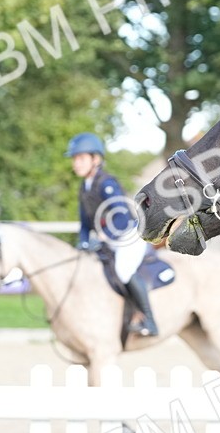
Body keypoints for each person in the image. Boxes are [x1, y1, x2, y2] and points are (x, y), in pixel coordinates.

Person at [66, 132, 159, 337]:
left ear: (96, 159)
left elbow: (122, 217)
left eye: (81, 158)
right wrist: (82, 243)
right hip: (109, 238)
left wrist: (103, 236)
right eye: (75, 159)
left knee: (123, 270)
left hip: (127, 237)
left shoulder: (106, 183)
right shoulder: (84, 186)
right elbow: (84, 224)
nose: (76, 163)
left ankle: (149, 321)